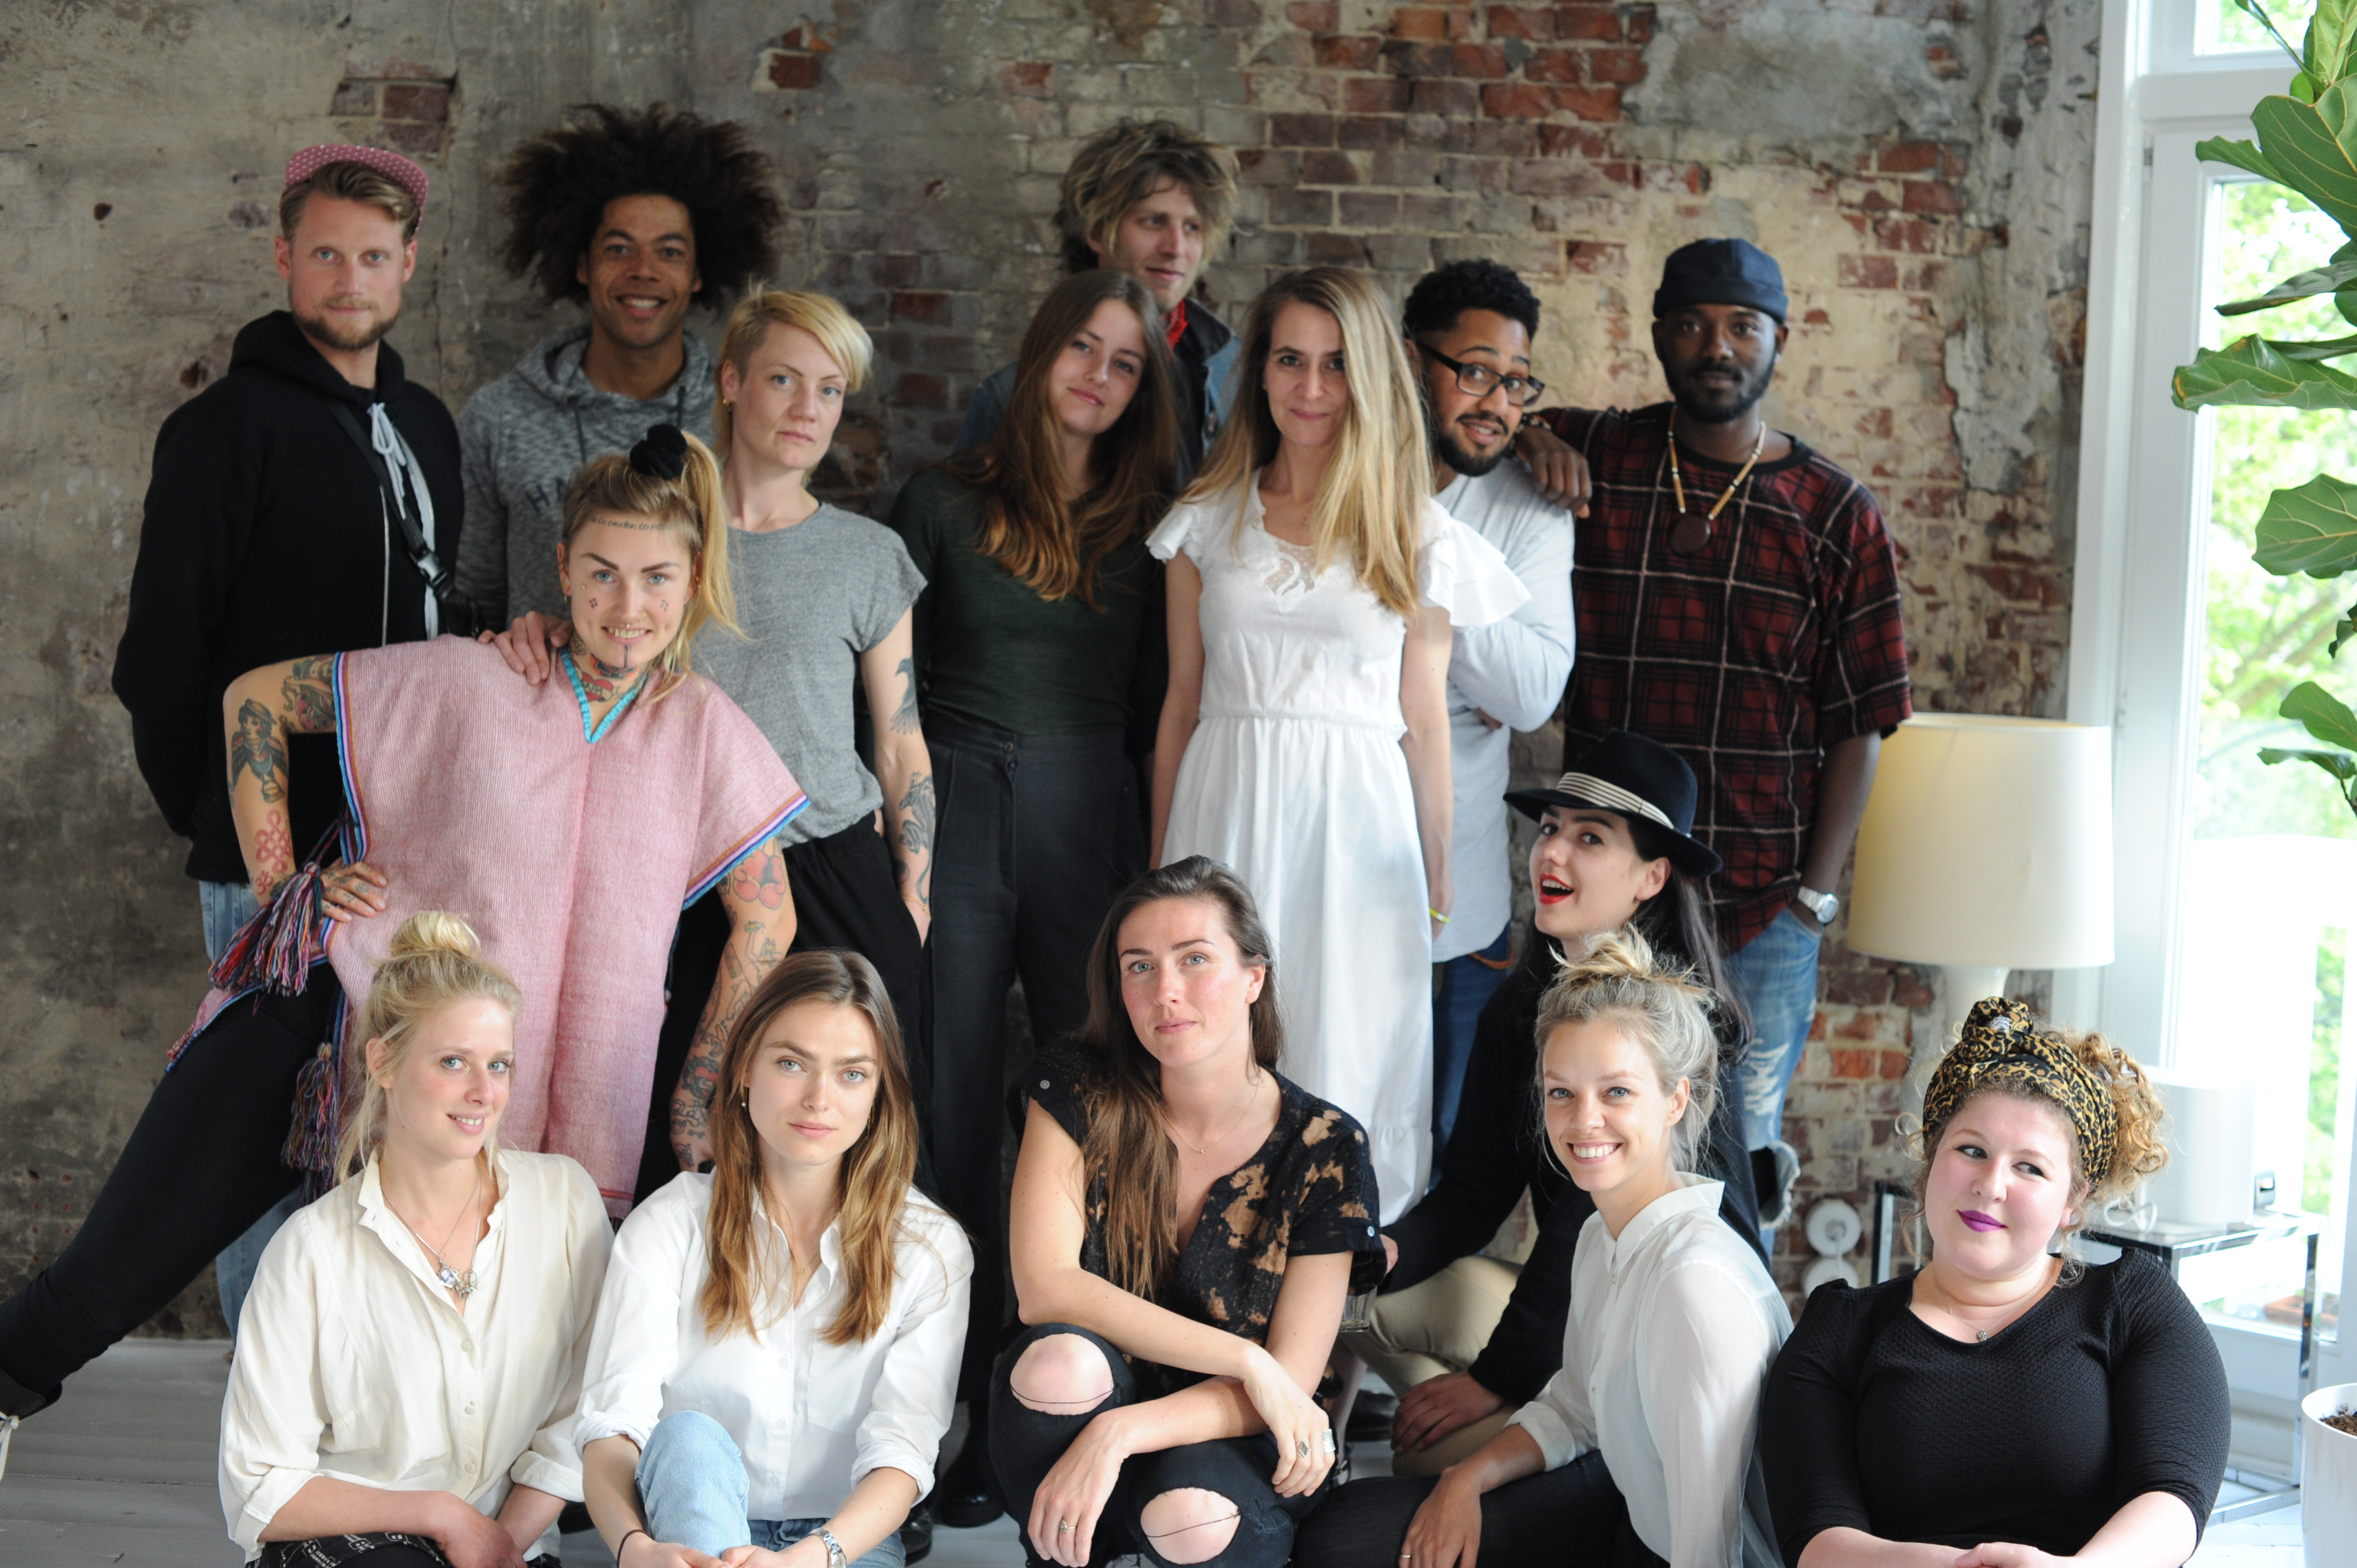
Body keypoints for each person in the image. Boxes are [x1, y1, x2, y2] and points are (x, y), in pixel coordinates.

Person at [0, 429, 803, 1442]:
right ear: (562, 568)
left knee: (491, 1381)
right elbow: (257, 699)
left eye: (656, 578)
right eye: (602, 572)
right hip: (336, 1032)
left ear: (693, 581)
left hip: (520, 1112)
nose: (627, 605)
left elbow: (767, 915)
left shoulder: (703, 727)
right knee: (104, 1279)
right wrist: (285, 890)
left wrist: (697, 1100)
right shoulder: (475, 676)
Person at [109, 142, 462, 1339]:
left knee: (379, 1133)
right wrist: (219, 825)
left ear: (407, 266)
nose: (350, 278)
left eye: (373, 255)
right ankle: (267, 1423)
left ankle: (354, 1405)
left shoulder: (425, 425)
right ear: (284, 260)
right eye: (326, 255)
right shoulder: (222, 430)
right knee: (258, 1145)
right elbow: (161, 658)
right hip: (272, 861)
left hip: (407, 854)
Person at [485, 291, 934, 1206]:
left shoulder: (867, 554)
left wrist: (912, 906)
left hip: (830, 869)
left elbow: (900, 742)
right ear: (730, 382)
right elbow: (593, 629)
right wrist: (526, 633)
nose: (808, 408)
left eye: (830, 389)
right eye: (784, 380)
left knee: (856, 1150)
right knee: (677, 1152)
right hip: (682, 878)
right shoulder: (661, 529)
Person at [1514, 238, 1913, 1230]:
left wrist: (1812, 900)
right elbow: (1487, 419)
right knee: (1584, 1145)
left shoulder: (1835, 515)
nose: (1717, 346)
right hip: (1605, 891)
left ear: (1780, 340)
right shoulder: (1603, 457)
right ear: (1659, 336)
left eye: (1742, 327)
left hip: (1758, 907)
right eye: (1693, 325)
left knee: (1736, 1162)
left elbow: (1861, 723)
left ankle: (1731, 1333)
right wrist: (1532, 440)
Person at [886, 268, 1180, 1528]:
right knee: (944, 1096)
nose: (1097, 376)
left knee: (1081, 1101)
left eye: (1125, 362)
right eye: (1082, 349)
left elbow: (1163, 704)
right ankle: (937, 1407)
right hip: (953, 793)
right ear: (1039, 351)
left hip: (1085, 808)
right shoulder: (940, 501)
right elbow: (890, 692)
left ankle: (1054, 1394)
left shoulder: (1154, 525)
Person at [1149, 265, 1526, 1226]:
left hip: (1359, 831)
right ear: (1260, 373)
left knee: (1345, 1048)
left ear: (1369, 378)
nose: (1311, 388)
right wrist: (1159, 870)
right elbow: (1181, 703)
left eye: (1335, 364)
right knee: (1215, 1048)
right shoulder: (1205, 521)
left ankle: (1332, 1297)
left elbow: (1425, 721)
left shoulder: (1414, 532)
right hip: (1224, 809)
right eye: (1289, 360)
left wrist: (1437, 868)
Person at [1296, 929, 1789, 1568]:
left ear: (1675, 1100)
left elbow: (1711, 1549)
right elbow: (1575, 1409)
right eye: (1561, 1092)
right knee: (1339, 1533)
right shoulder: (1599, 1235)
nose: (1583, 1120)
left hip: (1682, 1555)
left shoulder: (1692, 1285)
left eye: (1616, 1092)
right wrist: (1465, 1479)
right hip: (1630, 1511)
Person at [1350, 731, 1761, 1477]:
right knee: (1347, 1298)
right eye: (1549, 829)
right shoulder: (1521, 1007)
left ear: (1651, 877)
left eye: (1590, 837)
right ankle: (1505, 1435)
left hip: (1658, 1338)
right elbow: (1474, 1193)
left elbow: (1580, 1225)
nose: (1552, 853)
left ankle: (1551, 1451)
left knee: (1426, 1470)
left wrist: (1491, 1381)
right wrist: (1372, 1253)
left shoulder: (1671, 1028)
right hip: (1574, 1306)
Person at [992, 858, 1383, 1568]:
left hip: (1229, 1429)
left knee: (1191, 1518)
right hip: (1091, 1394)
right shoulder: (1078, 1087)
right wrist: (1245, 1358)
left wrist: (1118, 1434)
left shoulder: (1324, 1146)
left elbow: (1289, 1380)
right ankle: (1063, 1557)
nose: (1164, 991)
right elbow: (1044, 1288)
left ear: (1253, 977)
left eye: (1194, 959)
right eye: (1138, 967)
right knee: (1055, 1365)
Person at [1760, 998, 2229, 1567]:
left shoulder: (2133, 1304)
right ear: (1930, 1160)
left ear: (2073, 1201)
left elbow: (2175, 1495)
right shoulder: (1839, 1330)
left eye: (2029, 1167)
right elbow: (1816, 1541)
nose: (1991, 1184)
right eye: (1971, 1151)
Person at [218, 912, 612, 1568]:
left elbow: (586, 1409)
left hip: (509, 1545)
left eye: (499, 1065)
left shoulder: (565, 1204)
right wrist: (441, 1514)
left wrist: (499, 1543)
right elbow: (258, 1488)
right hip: (354, 1546)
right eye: (453, 1062)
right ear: (384, 1062)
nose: (483, 1093)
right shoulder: (310, 1252)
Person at [577, 951, 970, 1568]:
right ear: (743, 1071)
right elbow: (612, 1425)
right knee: (687, 1439)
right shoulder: (671, 1223)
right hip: (690, 1525)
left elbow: (904, 1451)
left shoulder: (927, 1247)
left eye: (852, 1074)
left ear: (879, 1095)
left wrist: (808, 1558)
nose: (819, 1098)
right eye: (792, 1064)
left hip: (840, 1542)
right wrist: (634, 1549)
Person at [457, 104, 784, 625]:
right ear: (582, 265)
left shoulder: (744, 412)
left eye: (670, 253)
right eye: (618, 248)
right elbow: (474, 602)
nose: (644, 271)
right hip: (546, 680)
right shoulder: (499, 417)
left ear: (699, 273)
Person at [1400, 260, 1576, 1148]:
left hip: (1458, 905)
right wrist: (1465, 680)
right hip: (1318, 871)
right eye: (1475, 372)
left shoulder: (1530, 511)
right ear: (1411, 362)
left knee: (1439, 1147)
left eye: (1516, 383)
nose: (1498, 403)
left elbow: (1531, 691)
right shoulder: (1326, 478)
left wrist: (1428, 574)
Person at [958, 118, 1240, 480]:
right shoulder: (1007, 395)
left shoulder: (1236, 371)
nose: (1176, 248)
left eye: (1193, 227)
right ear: (1097, 231)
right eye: (1153, 222)